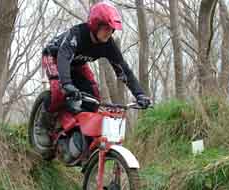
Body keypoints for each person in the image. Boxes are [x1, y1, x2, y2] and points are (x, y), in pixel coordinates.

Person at [36, 1, 151, 156]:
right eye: (105, 28)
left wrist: (140, 94)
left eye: (111, 30)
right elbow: (64, 57)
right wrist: (67, 84)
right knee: (59, 90)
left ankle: (73, 132)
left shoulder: (108, 45)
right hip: (55, 57)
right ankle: (41, 125)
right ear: (95, 25)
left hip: (77, 65)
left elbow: (124, 70)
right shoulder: (77, 34)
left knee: (93, 99)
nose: (109, 33)